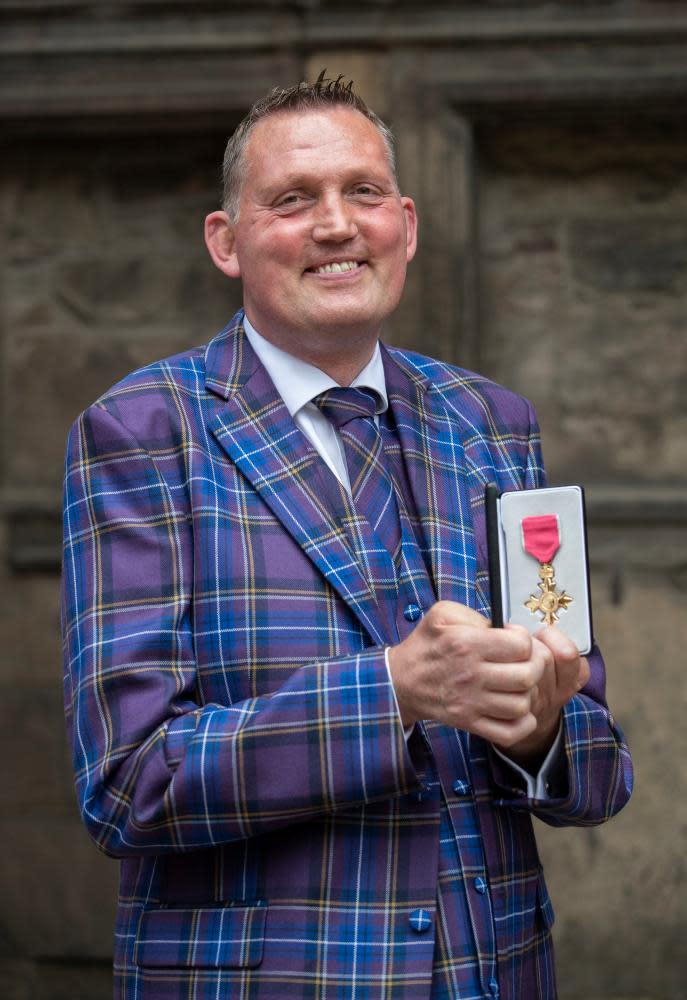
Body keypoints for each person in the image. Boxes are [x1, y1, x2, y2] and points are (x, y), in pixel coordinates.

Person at [61, 72, 632, 1000]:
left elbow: (598, 767)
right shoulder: (141, 432)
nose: (336, 224)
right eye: (292, 200)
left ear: (403, 224)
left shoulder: (492, 424)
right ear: (226, 240)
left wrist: (542, 730)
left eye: (362, 193)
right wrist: (394, 692)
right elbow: (128, 784)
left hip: (494, 972)